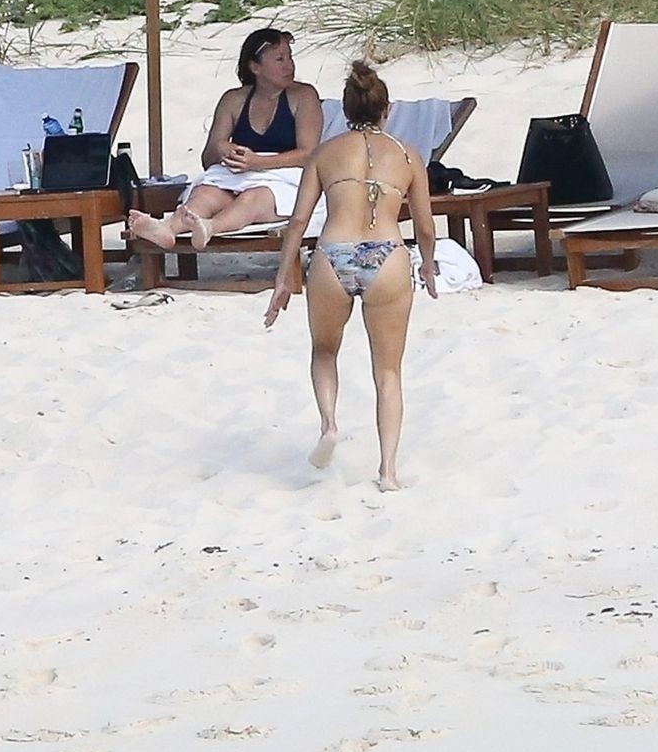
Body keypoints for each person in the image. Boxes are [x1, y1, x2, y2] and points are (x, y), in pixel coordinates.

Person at [265, 61, 438, 492]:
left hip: (333, 255)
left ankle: (328, 424)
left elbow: (298, 221)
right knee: (388, 371)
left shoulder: (325, 153)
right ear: (387, 110)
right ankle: (388, 471)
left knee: (324, 350)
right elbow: (425, 227)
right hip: (387, 256)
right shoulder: (408, 155)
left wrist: (283, 278)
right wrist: (429, 265)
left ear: (345, 111)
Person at [130, 27, 324, 248]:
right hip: (239, 177)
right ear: (255, 67)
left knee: (252, 198)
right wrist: (222, 149)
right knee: (205, 194)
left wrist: (259, 162)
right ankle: (168, 228)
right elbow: (208, 159)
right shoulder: (234, 100)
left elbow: (309, 154)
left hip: (284, 182)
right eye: (280, 59)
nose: (289, 65)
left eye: (289, 57)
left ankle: (210, 227)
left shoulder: (304, 96)